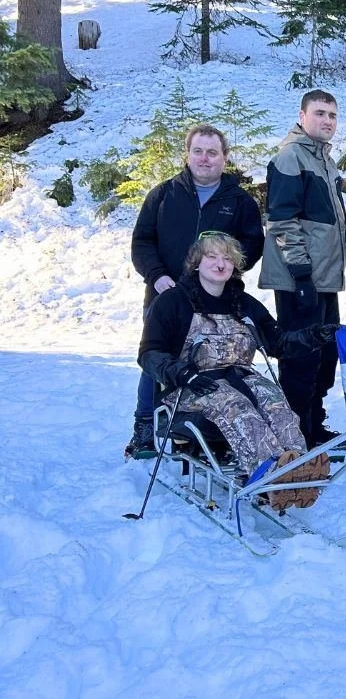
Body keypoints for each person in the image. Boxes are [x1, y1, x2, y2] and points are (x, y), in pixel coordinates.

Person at [138, 233, 338, 510]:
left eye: (227, 258)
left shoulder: (243, 304)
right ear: (197, 262)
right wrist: (181, 373)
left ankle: (300, 468)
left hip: (240, 379)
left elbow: (278, 342)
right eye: (212, 256)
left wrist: (314, 335)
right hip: (190, 386)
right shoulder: (173, 303)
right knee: (235, 405)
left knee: (275, 402)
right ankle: (269, 474)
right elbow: (149, 354)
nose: (220, 264)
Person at [126, 124, 264, 458]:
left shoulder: (240, 201)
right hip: (166, 296)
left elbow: (252, 245)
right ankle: (145, 429)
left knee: (211, 367)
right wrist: (157, 276)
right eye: (198, 151)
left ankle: (202, 436)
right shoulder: (163, 195)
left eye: (212, 152)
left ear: (224, 158)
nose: (205, 158)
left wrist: (224, 275)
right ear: (187, 154)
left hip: (215, 303)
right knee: (157, 361)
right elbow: (142, 241)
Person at [259, 90, 346, 448]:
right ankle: (297, 434)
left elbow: (320, 215)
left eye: (333, 115)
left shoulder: (324, 160)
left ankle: (313, 425)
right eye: (320, 113)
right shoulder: (291, 157)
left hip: (323, 278)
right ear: (302, 116)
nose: (327, 121)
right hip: (298, 280)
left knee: (324, 355)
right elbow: (282, 221)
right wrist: (301, 274)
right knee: (301, 359)